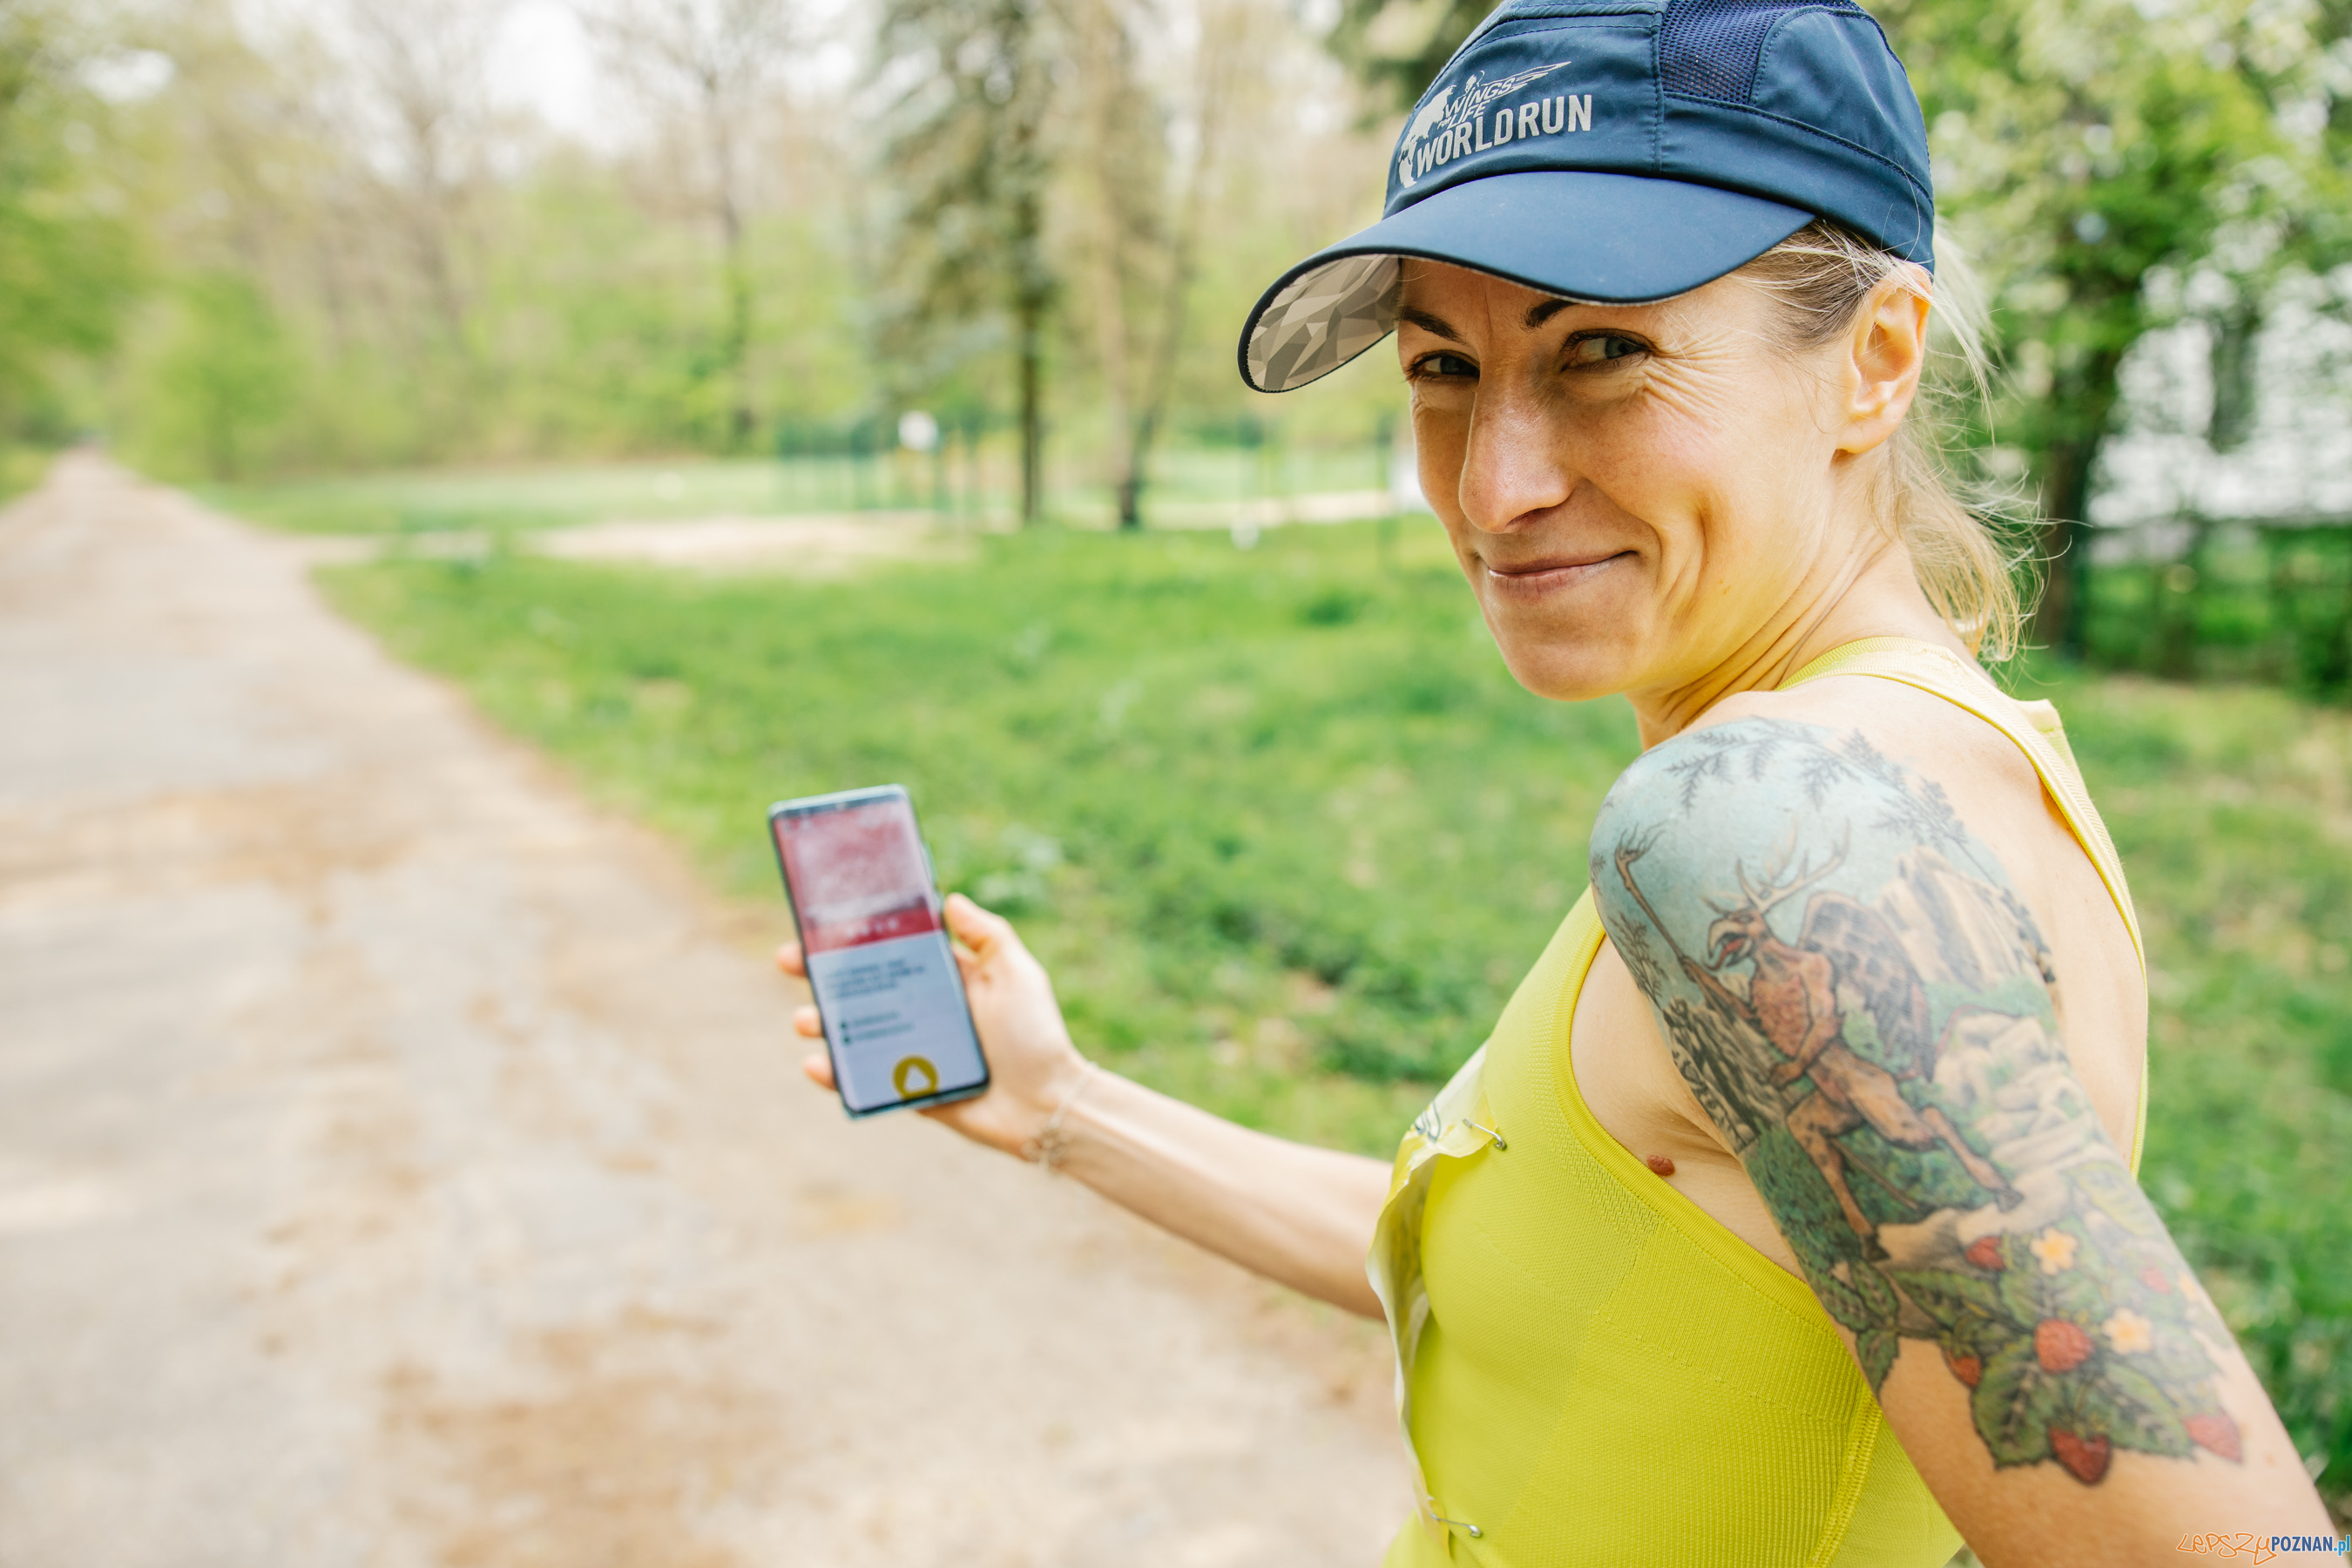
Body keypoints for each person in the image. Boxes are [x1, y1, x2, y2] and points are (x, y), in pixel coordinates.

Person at [781, 1, 2337, 1560]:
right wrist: (1062, 1103)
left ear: (1874, 362)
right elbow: (1556, 1280)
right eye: (1444, 367)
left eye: (1604, 348)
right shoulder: (1929, 764)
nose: (1493, 484)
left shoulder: (1764, 832)